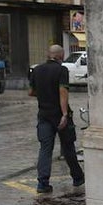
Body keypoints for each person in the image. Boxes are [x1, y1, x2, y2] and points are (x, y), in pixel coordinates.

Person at [29, 44, 84, 194]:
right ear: (61, 56)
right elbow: (63, 92)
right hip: (59, 115)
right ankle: (78, 177)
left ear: (49, 55)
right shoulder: (62, 70)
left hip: (44, 114)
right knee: (68, 147)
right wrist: (65, 114)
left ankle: (42, 183)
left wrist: (44, 94)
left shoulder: (37, 70)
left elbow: (31, 92)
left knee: (45, 149)